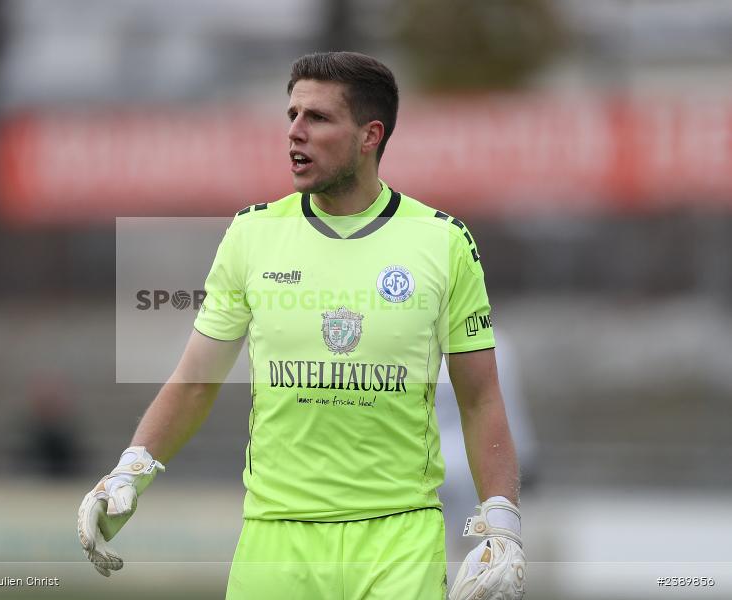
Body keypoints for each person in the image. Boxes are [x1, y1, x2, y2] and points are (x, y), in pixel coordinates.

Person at [78, 51, 526, 600]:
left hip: (399, 536)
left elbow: (480, 398)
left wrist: (501, 520)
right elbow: (197, 378)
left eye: (317, 118)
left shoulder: (443, 242)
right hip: (276, 538)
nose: (295, 132)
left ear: (370, 136)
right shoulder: (252, 235)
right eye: (291, 115)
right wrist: (130, 470)